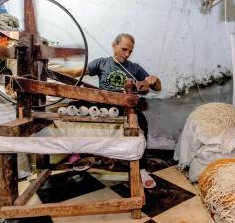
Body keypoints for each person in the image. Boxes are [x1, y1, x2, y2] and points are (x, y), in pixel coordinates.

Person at [57, 33, 161, 188]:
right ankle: (80, 155)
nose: (126, 54)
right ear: (114, 45)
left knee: (142, 121)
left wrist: (153, 80)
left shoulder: (134, 68)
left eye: (130, 51)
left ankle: (142, 168)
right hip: (103, 104)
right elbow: (76, 72)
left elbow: (158, 88)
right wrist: (50, 69)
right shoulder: (102, 63)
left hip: (123, 107)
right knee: (73, 107)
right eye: (124, 49)